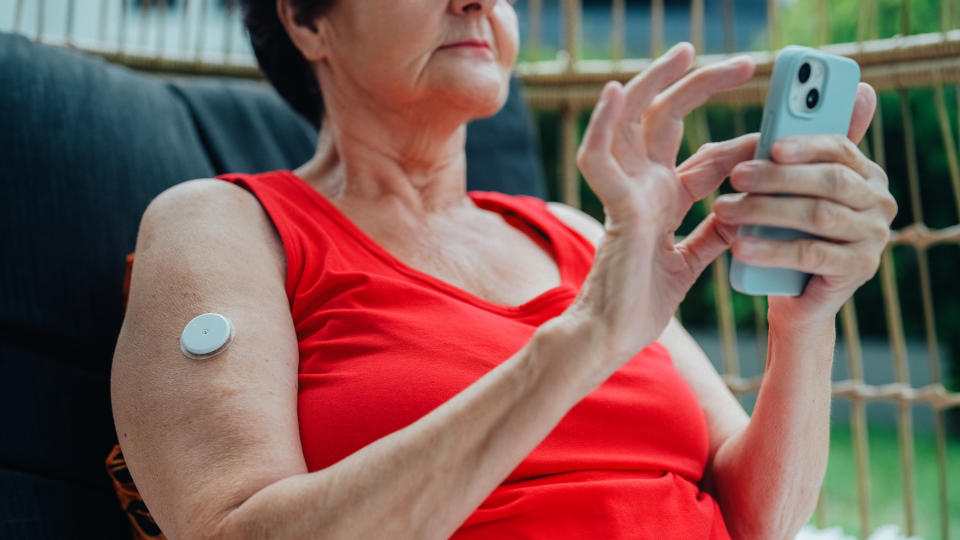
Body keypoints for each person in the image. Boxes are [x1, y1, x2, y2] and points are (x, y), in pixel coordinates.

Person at [109, 0, 897, 538]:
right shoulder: (225, 226)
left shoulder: (579, 233)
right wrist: (581, 342)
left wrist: (807, 317)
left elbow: (758, 518)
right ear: (307, 19)